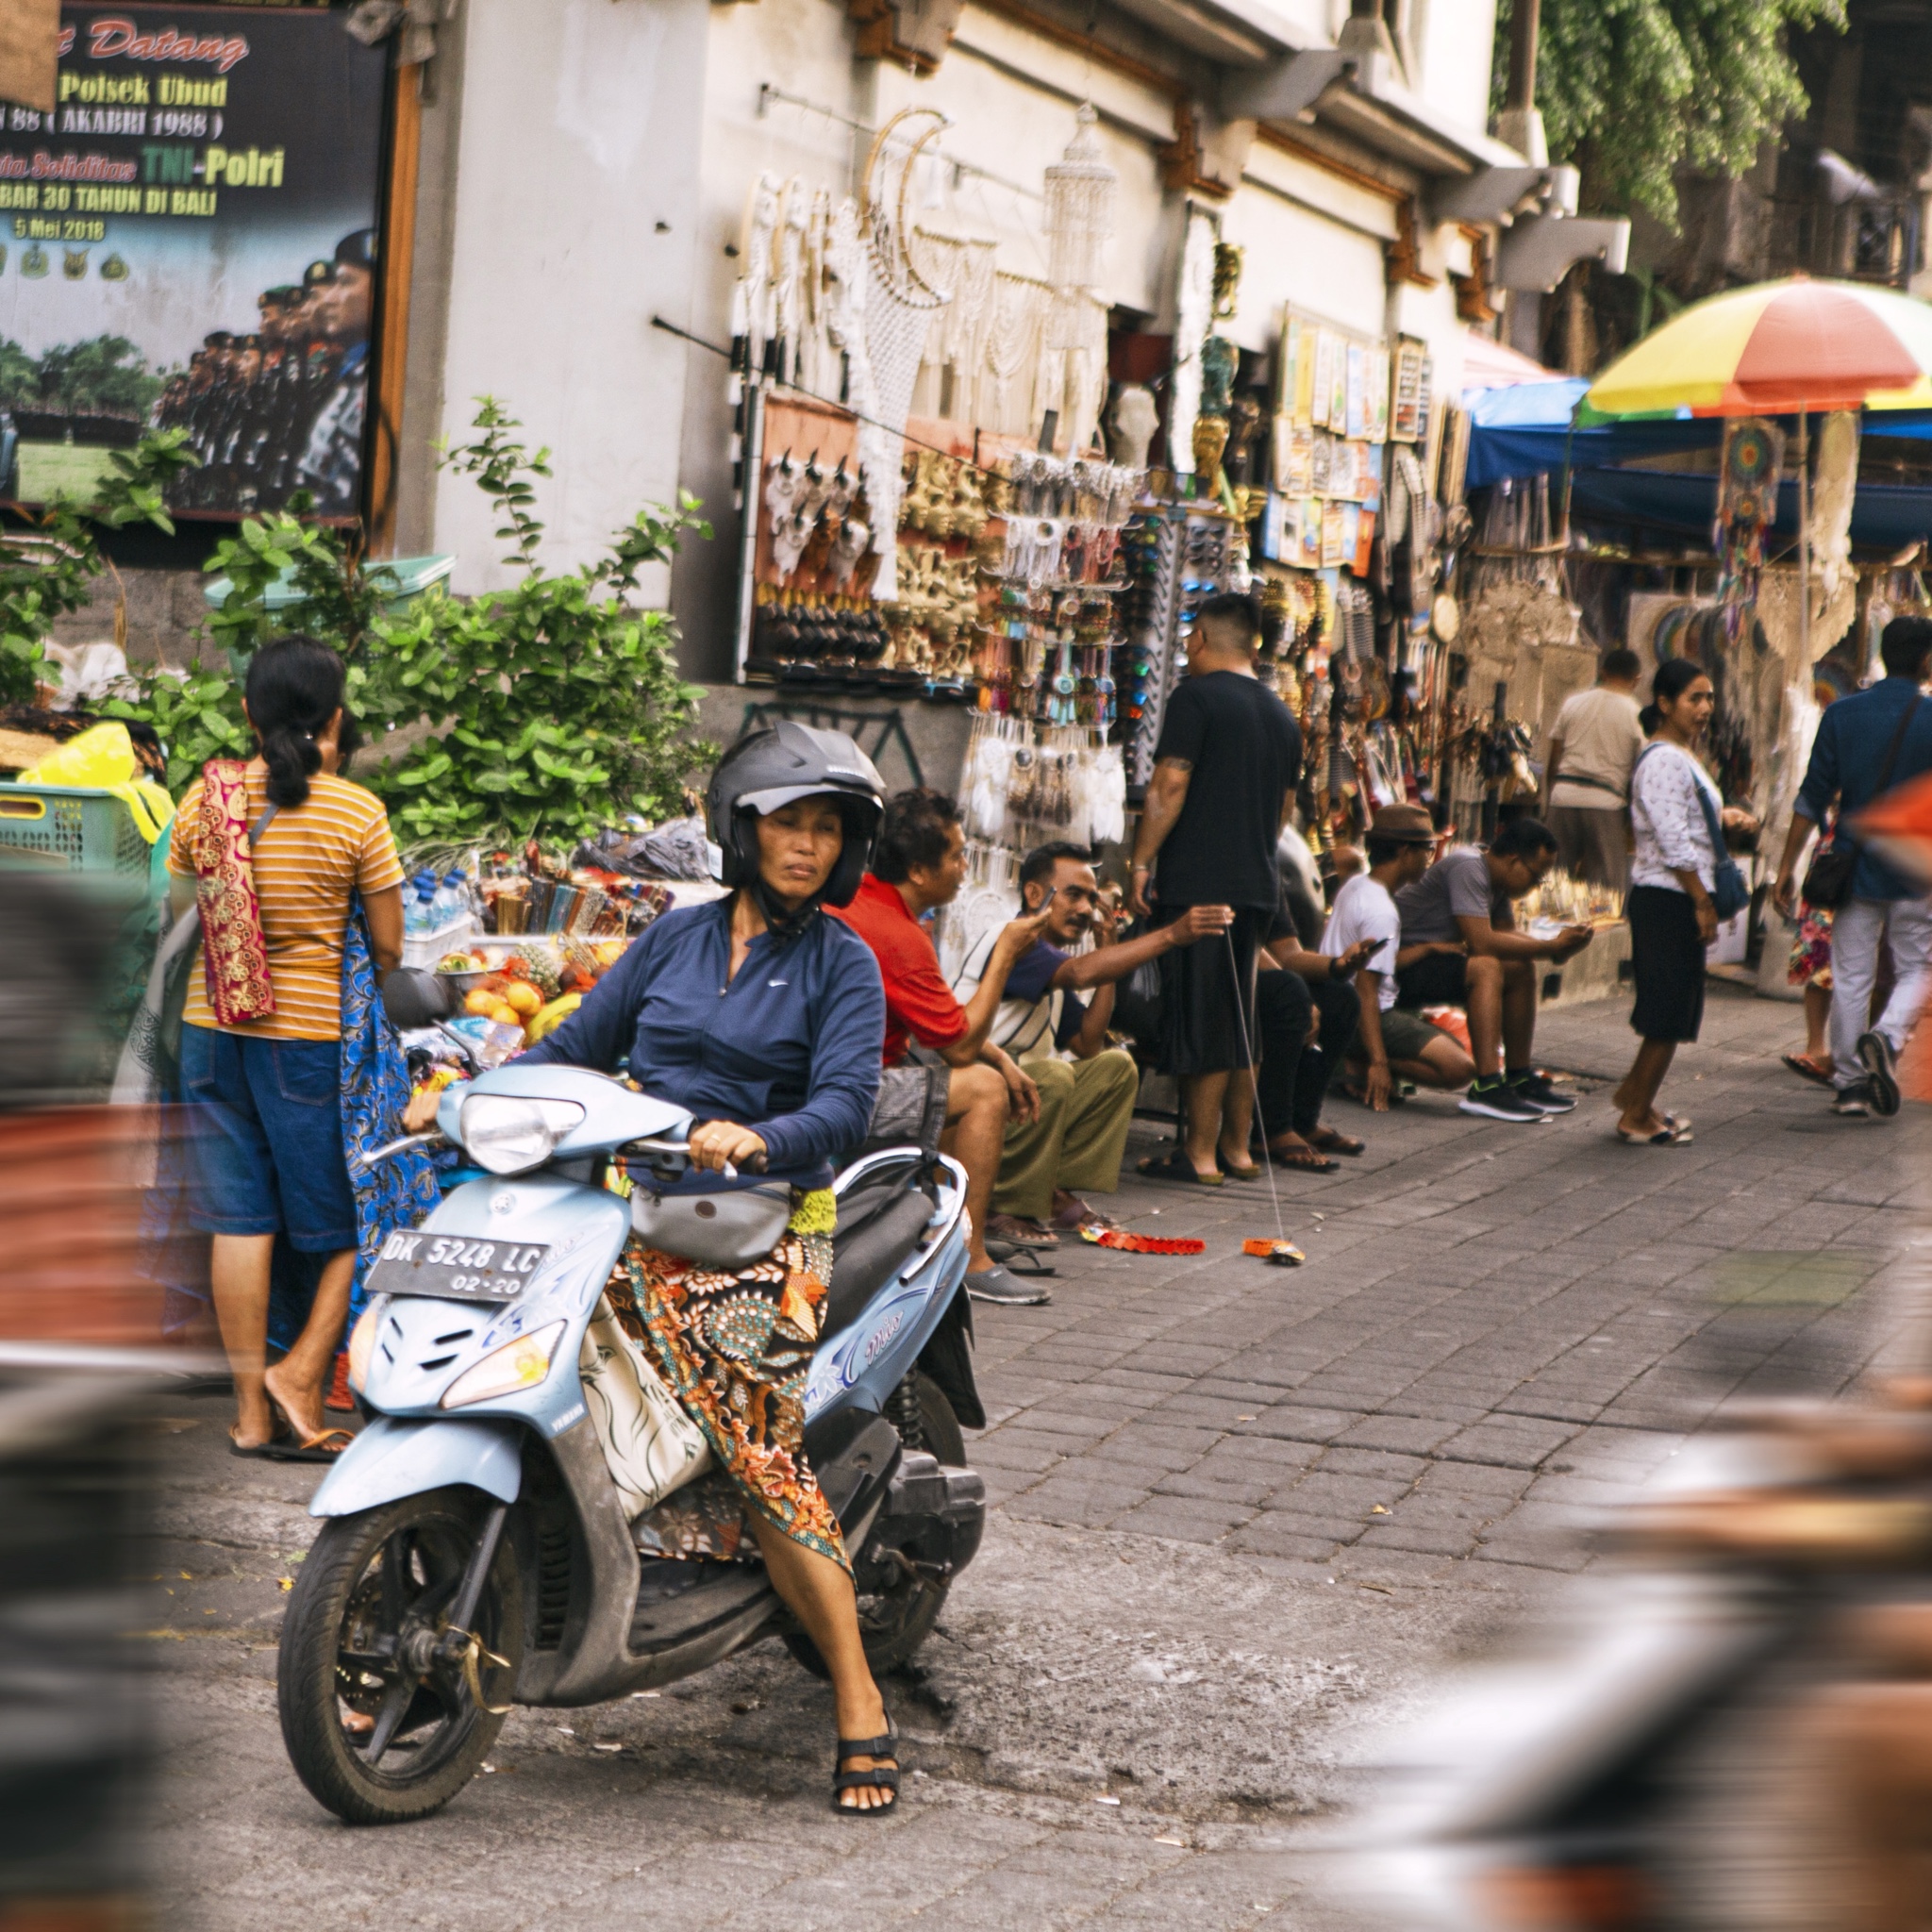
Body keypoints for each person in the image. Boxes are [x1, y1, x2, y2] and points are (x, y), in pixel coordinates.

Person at [449, 722, 903, 1813]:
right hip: (633, 1207)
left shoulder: (844, 963)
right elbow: (573, 1047)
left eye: (824, 827)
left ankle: (856, 1697)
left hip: (760, 1228)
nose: (804, 843)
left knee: (762, 1458)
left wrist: (759, 1136)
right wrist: (477, 1091)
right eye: (786, 821)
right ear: (740, 827)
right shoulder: (672, 938)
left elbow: (846, 1103)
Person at [166, 637, 407, 1459]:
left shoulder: (207, 803)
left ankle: (249, 1415)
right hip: (304, 1044)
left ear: (246, 713)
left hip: (211, 1030)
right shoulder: (355, 812)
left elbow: (181, 915)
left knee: (240, 1220)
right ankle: (302, 1370)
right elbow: (389, 949)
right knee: (345, 1219)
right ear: (336, 717)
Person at [829, 788, 1055, 1307]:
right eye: (956, 856)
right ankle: (968, 1259)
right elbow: (958, 1048)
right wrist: (1005, 953)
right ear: (918, 872)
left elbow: (942, 1026)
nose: (964, 867)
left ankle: (941, 1227)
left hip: (846, 1070)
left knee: (970, 1071)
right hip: (842, 1092)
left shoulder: (866, 900)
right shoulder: (895, 933)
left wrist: (997, 1053)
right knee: (982, 1091)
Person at [950, 841, 1233, 1246]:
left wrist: (1107, 954)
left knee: (1115, 1068)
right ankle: (1004, 1202)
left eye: (1091, 898)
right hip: (974, 1101)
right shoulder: (1016, 941)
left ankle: (1050, 1189)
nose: (1086, 909)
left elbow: (1086, 1043)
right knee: (1052, 1074)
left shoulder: (1052, 960)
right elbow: (1081, 974)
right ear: (1034, 894)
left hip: (1014, 1098)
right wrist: (1170, 935)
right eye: (1074, 895)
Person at [1126, 590, 1302, 1185]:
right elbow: (1285, 809)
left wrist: (1141, 862)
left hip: (1201, 882)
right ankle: (1238, 1148)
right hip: (1255, 883)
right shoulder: (1282, 716)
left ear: (1200, 638)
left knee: (1206, 1016)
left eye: (1187, 641)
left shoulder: (1195, 698)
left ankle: (1200, 1155)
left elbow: (1167, 787)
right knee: (1241, 1014)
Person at [1773, 614, 1932, 1120]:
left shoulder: (1842, 715)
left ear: (1885, 654)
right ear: (1927, 660)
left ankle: (1850, 1084)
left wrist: (1785, 868)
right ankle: (1884, 1038)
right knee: (1917, 966)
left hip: (1852, 862)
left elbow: (1810, 797)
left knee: (1851, 973)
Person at [1613, 661, 1757, 1144]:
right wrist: (1701, 901)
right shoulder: (1662, 760)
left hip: (1676, 893)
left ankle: (1637, 1096)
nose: (1705, 709)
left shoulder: (1680, 757)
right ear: (1664, 703)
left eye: (1709, 698)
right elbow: (1672, 839)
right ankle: (1634, 1116)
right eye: (1694, 699)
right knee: (1669, 1011)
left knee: (1673, 1006)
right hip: (1668, 896)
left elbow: (1685, 825)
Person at [1392, 817, 1593, 1122]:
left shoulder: (1497, 881)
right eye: (1536, 877)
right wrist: (1551, 948)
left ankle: (1519, 1076)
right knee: (1485, 967)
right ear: (1514, 861)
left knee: (1518, 967)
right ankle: (1487, 1086)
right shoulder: (1469, 866)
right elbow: (1482, 943)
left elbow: (1506, 938)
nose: (1534, 887)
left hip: (1432, 961)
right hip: (1397, 967)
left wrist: (1555, 947)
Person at [1322, 804, 1477, 1111]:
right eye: (1428, 850)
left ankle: (1349, 1055)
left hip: (1335, 1007)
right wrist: (1379, 1062)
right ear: (1406, 852)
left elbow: (1377, 965)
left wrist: (1428, 949)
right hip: (1360, 1016)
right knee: (1460, 1068)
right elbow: (1366, 990)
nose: (1430, 859)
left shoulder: (1356, 884)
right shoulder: (1382, 910)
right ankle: (1353, 1059)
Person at [1250, 918, 1377, 1171]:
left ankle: (1302, 1122)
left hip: (1261, 977)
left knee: (1341, 999)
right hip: (1214, 977)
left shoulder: (1269, 880)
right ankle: (1272, 1129)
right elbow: (1243, 944)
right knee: (1289, 993)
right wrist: (1301, 996)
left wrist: (1339, 965)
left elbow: (1289, 955)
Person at [1783, 658, 1857, 1087]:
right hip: (1833, 861)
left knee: (1843, 956)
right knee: (1820, 952)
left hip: (1838, 858)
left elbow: (1812, 796)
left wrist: (1785, 867)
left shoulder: (1845, 725)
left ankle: (1837, 1051)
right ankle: (1818, 1048)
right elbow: (1813, 797)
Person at [1543, 647, 1645, 889]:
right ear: (1636, 679)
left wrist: (1551, 798)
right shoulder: (1635, 714)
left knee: (1553, 883)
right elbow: (1639, 771)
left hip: (1563, 797)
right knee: (1606, 888)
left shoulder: (1573, 703)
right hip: (1605, 803)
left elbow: (1554, 757)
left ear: (1603, 672)